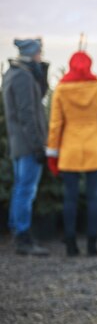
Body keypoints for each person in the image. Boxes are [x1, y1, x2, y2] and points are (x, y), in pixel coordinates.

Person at [46, 50, 97, 256]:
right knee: (94, 198)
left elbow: (55, 125)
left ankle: (70, 244)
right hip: (95, 149)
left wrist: (52, 153)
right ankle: (92, 245)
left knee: (70, 198)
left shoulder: (61, 89)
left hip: (70, 150)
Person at [2, 38, 50, 256]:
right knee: (26, 190)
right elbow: (27, 113)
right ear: (32, 53)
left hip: (19, 143)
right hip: (27, 144)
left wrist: (43, 74)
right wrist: (37, 145)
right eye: (40, 52)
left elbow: (37, 97)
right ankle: (23, 237)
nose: (42, 55)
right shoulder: (21, 76)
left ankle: (18, 231)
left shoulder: (16, 73)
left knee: (20, 187)